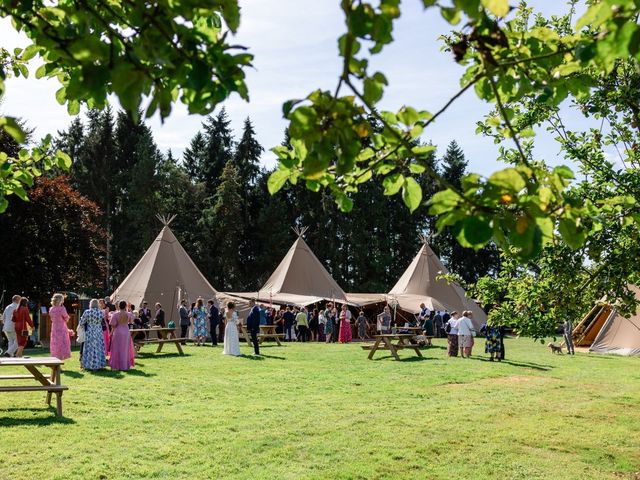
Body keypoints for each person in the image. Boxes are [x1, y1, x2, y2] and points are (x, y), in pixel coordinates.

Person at [79, 299, 107, 370]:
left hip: (90, 332)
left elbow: (81, 322)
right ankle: (99, 365)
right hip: (98, 332)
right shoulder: (100, 312)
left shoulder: (87, 312)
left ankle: (88, 365)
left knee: (89, 349)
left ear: (90, 304)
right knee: (98, 348)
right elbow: (103, 323)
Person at [109, 301, 135, 371]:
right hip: (126, 332)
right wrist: (130, 309)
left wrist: (111, 333)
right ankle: (125, 365)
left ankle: (116, 366)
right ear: (125, 306)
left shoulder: (115, 314)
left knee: (116, 349)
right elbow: (132, 320)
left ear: (119, 306)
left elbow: (113, 325)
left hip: (118, 332)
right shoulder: (129, 314)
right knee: (125, 349)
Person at [49, 293, 72, 360]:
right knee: (62, 342)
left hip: (54, 327)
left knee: (55, 343)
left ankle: (56, 358)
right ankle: (60, 359)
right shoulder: (62, 309)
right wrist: (67, 318)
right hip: (62, 327)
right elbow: (66, 317)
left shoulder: (51, 309)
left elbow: (52, 318)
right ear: (60, 300)